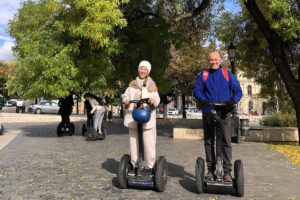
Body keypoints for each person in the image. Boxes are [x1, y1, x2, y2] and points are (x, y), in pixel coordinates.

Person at [193, 52, 242, 182]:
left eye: (216, 60)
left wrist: (232, 101)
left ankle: (226, 172)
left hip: (224, 111)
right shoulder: (204, 74)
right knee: (209, 141)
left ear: (220, 61)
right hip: (209, 111)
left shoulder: (227, 74)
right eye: (211, 60)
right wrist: (202, 99)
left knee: (226, 141)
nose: (213, 62)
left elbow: (238, 90)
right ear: (208, 61)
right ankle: (210, 170)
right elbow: (197, 90)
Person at [123, 60, 160, 177]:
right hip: (133, 118)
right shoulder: (132, 83)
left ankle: (150, 167)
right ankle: (135, 165)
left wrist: (152, 100)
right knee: (134, 143)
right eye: (141, 68)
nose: (142, 70)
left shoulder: (151, 84)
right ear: (138, 69)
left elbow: (156, 99)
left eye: (145, 69)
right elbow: (126, 95)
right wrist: (126, 100)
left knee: (149, 143)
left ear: (148, 71)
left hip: (147, 118)